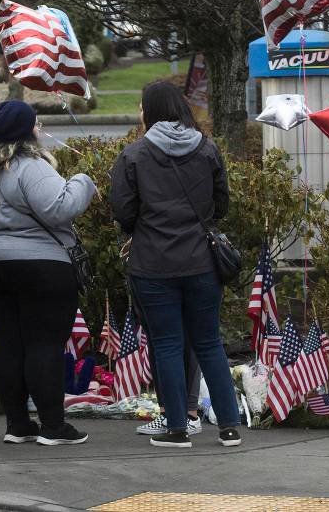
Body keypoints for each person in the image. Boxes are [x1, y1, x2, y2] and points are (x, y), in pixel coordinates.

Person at [110, 81, 242, 449]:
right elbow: (222, 204)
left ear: (149, 111)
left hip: (153, 263)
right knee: (209, 343)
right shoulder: (207, 149)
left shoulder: (134, 155)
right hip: (202, 261)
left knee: (167, 344)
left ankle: (177, 428)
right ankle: (229, 426)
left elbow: (123, 211)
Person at [0, 100, 96, 446]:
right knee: (44, 344)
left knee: (10, 344)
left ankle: (17, 423)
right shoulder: (30, 165)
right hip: (42, 265)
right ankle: (53, 425)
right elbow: (58, 208)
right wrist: (82, 181)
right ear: (29, 129)